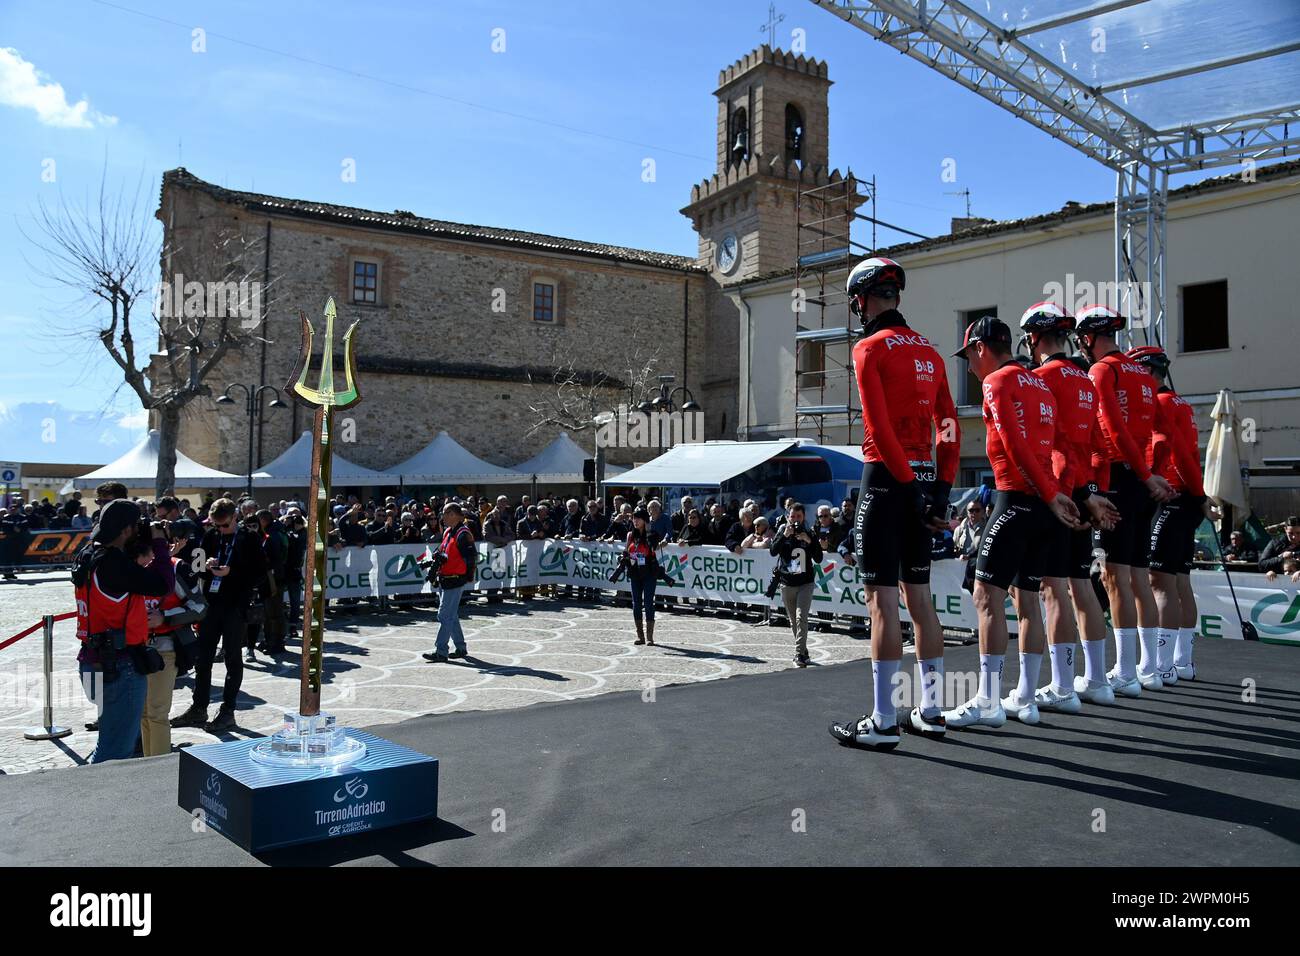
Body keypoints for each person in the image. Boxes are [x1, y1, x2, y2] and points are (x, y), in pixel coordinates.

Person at [827, 257, 961, 750]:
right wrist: (939, 489)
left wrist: (905, 486)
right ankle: (930, 711)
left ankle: (883, 721)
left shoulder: (870, 348)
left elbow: (878, 427)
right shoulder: (930, 351)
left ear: (861, 299)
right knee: (919, 600)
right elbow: (948, 428)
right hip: (925, 476)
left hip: (887, 480)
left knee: (881, 601)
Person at [940, 316, 1084, 728]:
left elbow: (1014, 445)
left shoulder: (997, 382)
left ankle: (988, 700)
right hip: (1043, 504)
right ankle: (1025, 695)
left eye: (969, 356)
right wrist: (1060, 493)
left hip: (1017, 499)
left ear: (982, 348)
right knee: (1028, 599)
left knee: (986, 597)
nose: (969, 367)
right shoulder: (1038, 382)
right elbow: (1065, 447)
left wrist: (1053, 494)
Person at [1020, 304, 1122, 714]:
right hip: (1084, 488)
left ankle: (1061, 685)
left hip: (1057, 493)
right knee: (1081, 586)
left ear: (1032, 339)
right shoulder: (1085, 378)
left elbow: (1048, 443)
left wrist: (1071, 493)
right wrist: (1093, 494)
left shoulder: (1040, 379)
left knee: (1052, 588)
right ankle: (1096, 679)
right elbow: (1099, 443)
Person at [1075, 304, 1175, 696]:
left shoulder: (1103, 370)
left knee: (1115, 578)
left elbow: (1115, 431)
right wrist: (1152, 473)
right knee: (1137, 577)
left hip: (1114, 475)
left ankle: (1125, 671)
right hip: (1137, 479)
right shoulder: (1143, 374)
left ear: (1088, 337)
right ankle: (1147, 667)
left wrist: (1147, 473)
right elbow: (1158, 435)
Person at [1129, 345, 1220, 684]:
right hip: (1186, 498)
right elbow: (1188, 452)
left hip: (1170, 496)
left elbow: (1172, 448)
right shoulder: (1179, 402)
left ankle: (1161, 664)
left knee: (1160, 582)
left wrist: (1148, 474)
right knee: (1180, 581)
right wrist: (1199, 497)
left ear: (1147, 372)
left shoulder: (1160, 402)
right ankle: (1182, 661)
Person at [72, 500, 172, 762]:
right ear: (127, 530)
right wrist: (160, 545)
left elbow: (126, 576)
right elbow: (163, 584)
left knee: (109, 737)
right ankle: (93, 801)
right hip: (118, 667)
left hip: (90, 660)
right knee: (114, 753)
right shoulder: (114, 565)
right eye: (137, 526)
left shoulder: (88, 554)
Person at [171, 497, 267, 734]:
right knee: (203, 658)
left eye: (225, 525)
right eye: (216, 525)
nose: (220, 529)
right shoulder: (212, 536)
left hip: (235, 606)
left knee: (232, 658)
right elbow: (196, 565)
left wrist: (231, 572)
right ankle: (199, 707)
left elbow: (260, 573)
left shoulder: (249, 538)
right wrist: (207, 564)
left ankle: (227, 711)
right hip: (211, 605)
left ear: (236, 517)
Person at [136, 531, 208, 757]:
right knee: (143, 713)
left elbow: (200, 607)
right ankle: (148, 766)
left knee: (156, 713)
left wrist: (165, 617)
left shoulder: (177, 569)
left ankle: (157, 769)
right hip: (136, 649)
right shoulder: (130, 570)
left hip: (165, 649)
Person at [423, 503, 478, 663]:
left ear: (454, 515)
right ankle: (460, 647)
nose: (443, 517)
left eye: (446, 513)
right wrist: (432, 559)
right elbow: (442, 550)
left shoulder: (463, 533)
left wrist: (469, 576)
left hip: (455, 579)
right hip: (445, 578)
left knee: (444, 615)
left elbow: (471, 557)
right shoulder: (448, 531)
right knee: (451, 615)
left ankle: (441, 651)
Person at [770, 502, 823, 667]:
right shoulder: (782, 531)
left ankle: (799, 654)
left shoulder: (809, 532)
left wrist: (809, 540)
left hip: (805, 582)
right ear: (787, 516)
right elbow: (773, 551)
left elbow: (819, 558)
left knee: (802, 618)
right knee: (793, 621)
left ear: (804, 517)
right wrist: (784, 536)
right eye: (792, 516)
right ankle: (804, 650)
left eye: (798, 516)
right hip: (786, 582)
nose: (795, 520)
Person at [623, 507, 665, 646]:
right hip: (635, 572)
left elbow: (653, 547)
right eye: (634, 518)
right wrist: (625, 557)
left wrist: (647, 531)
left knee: (648, 603)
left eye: (638, 518)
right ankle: (640, 636)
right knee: (636, 604)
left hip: (648, 573)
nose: (635, 521)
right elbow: (626, 551)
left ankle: (649, 637)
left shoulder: (652, 534)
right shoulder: (630, 535)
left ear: (645, 520)